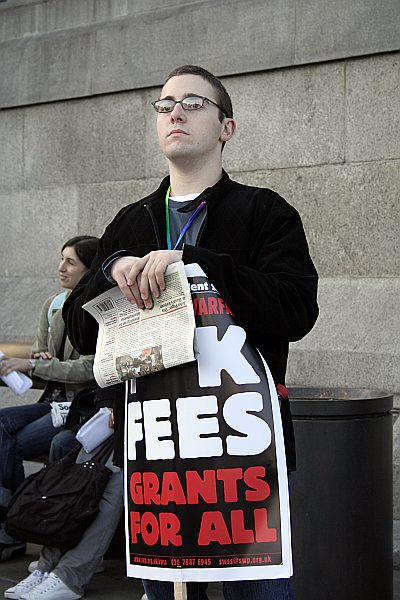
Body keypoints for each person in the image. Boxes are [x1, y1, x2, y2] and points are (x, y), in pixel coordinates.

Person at [63, 65, 319, 600]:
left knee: (262, 590)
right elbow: (80, 331)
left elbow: (295, 310)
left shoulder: (265, 211)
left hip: (244, 450)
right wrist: (111, 270)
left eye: (194, 103)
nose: (175, 112)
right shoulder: (129, 224)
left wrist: (192, 263)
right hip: (156, 456)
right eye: (164, 105)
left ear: (226, 127)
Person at [0, 236, 98, 561]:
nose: (61, 268)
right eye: (61, 259)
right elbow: (45, 367)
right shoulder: (53, 305)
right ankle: (12, 519)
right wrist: (30, 364)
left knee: (12, 444)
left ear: (90, 268)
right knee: (2, 425)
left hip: (79, 405)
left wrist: (36, 363)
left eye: (70, 262)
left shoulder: (98, 310)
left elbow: (90, 368)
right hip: (52, 401)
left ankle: (13, 526)